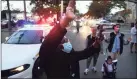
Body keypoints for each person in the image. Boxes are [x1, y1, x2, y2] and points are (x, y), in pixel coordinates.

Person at [39, 1, 99, 79]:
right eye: (62, 39)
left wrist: (94, 46)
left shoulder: (68, 52)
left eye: (65, 38)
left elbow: (83, 54)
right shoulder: (46, 53)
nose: (65, 39)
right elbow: (49, 43)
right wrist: (66, 20)